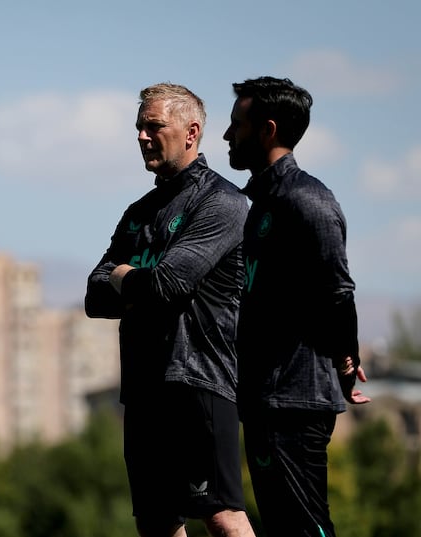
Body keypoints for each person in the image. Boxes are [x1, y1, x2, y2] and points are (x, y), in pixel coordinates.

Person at [85, 82, 256, 537]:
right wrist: (133, 281)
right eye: (139, 127)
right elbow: (93, 296)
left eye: (153, 126)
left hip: (197, 380)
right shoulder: (138, 211)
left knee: (221, 515)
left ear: (191, 131)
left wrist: (123, 275)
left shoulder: (222, 201)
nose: (142, 136)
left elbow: (169, 284)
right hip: (143, 387)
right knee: (157, 523)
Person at [223, 75, 371, 537]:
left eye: (237, 125)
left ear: (267, 130)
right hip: (265, 398)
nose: (228, 136)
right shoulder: (262, 202)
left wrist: (347, 359)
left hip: (296, 398)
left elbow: (338, 291)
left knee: (304, 528)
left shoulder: (307, 200)